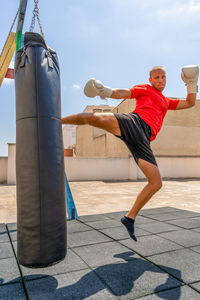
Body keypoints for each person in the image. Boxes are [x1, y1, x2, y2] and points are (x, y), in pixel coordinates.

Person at [62, 65, 199, 241]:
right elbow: (123, 93)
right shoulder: (146, 89)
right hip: (135, 123)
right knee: (94, 118)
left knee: (156, 183)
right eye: (156, 77)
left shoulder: (166, 101)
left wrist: (191, 83)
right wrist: (105, 91)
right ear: (150, 80)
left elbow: (190, 102)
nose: (160, 80)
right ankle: (56, 120)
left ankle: (129, 218)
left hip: (143, 140)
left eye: (163, 77)